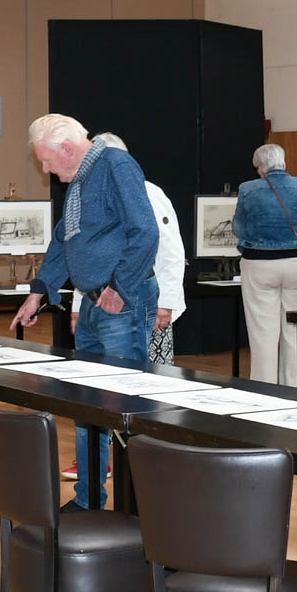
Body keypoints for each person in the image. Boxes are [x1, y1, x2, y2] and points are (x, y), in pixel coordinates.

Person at [13, 114, 160, 511]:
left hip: (120, 302)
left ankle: (135, 511)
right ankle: (88, 502)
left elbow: (145, 231)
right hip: (94, 304)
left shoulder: (115, 165)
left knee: (126, 408)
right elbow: (65, 240)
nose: (45, 169)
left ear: (67, 148)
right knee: (88, 407)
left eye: (46, 160)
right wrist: (39, 292)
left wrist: (119, 287)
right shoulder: (80, 178)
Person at [62, 138, 188, 484]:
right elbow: (84, 256)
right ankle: (100, 466)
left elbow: (170, 251)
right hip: (99, 304)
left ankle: (153, 466)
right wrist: (78, 305)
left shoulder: (149, 193)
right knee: (99, 392)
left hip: (144, 302)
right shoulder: (87, 194)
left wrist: (167, 302)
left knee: (147, 390)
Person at [232, 143, 297, 386]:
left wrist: (248, 245)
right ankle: (296, 390)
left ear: (260, 168)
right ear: (283, 163)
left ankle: (263, 390)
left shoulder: (247, 189)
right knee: (296, 331)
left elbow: (238, 227)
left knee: (262, 334)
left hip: (258, 264)